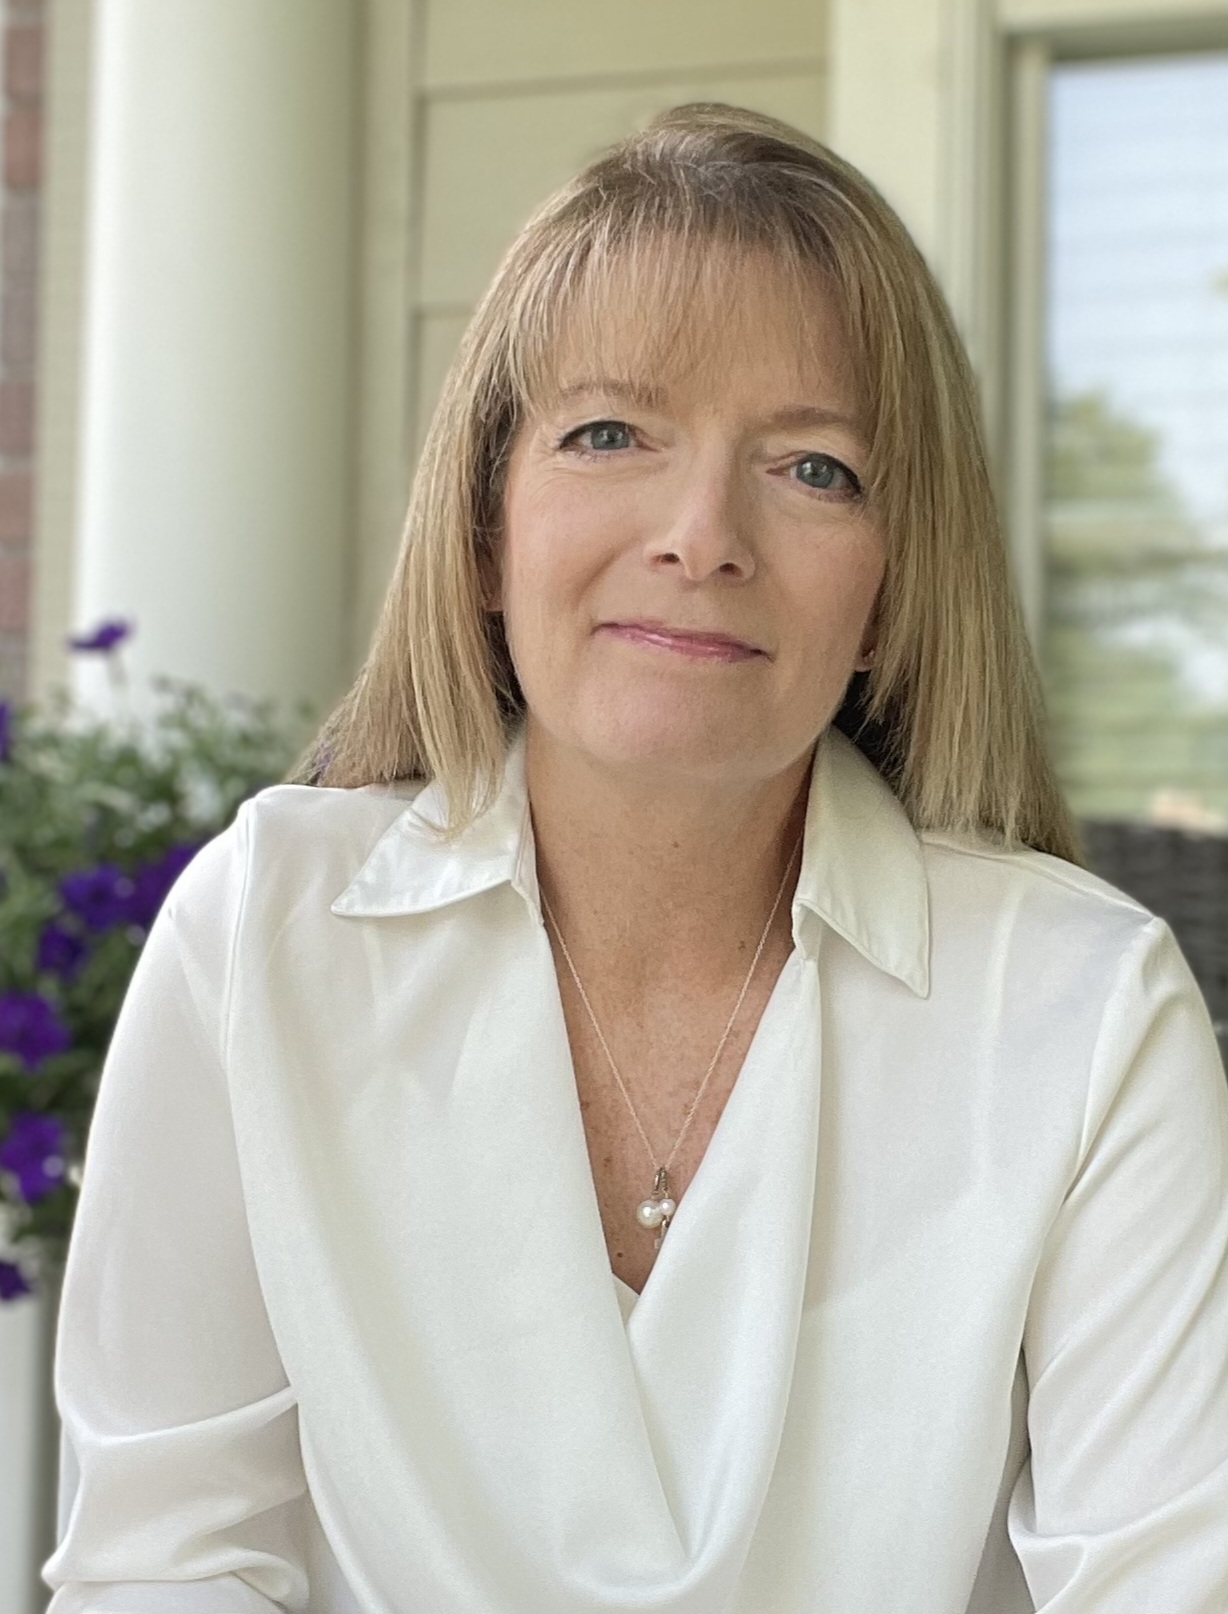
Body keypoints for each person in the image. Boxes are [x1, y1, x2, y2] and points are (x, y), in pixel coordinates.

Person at [43, 102, 1228, 1614]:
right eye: (610, 432)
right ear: (486, 526)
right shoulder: (263, 933)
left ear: (893, 585)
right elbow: (167, 1561)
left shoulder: (1087, 1013)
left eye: (814, 468)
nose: (701, 532)